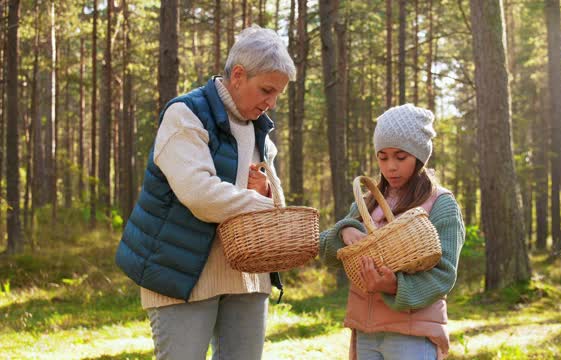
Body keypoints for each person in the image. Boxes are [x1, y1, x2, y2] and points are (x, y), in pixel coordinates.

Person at [115, 25, 295, 360]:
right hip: (182, 275)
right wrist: (259, 202)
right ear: (238, 75)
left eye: (277, 95)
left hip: (249, 277)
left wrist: (267, 190)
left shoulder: (260, 131)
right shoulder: (185, 115)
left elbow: (276, 209)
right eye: (266, 90)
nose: (270, 103)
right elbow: (200, 194)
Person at [319, 104, 465, 360]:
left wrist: (395, 286)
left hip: (412, 333)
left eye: (401, 157)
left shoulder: (440, 204)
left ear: (419, 156)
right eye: (382, 157)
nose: (390, 167)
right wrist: (346, 230)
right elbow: (326, 250)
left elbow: (444, 274)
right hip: (366, 332)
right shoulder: (367, 202)